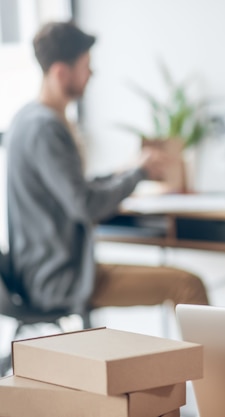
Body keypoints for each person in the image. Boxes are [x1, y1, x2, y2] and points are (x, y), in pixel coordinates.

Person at [3, 21, 209, 317]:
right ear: (62, 73)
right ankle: (209, 367)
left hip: (40, 274)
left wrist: (123, 172)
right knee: (187, 286)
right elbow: (85, 205)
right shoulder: (46, 128)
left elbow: (72, 188)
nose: (91, 74)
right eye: (86, 66)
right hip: (61, 280)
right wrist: (138, 175)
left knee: (183, 284)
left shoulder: (25, 119)